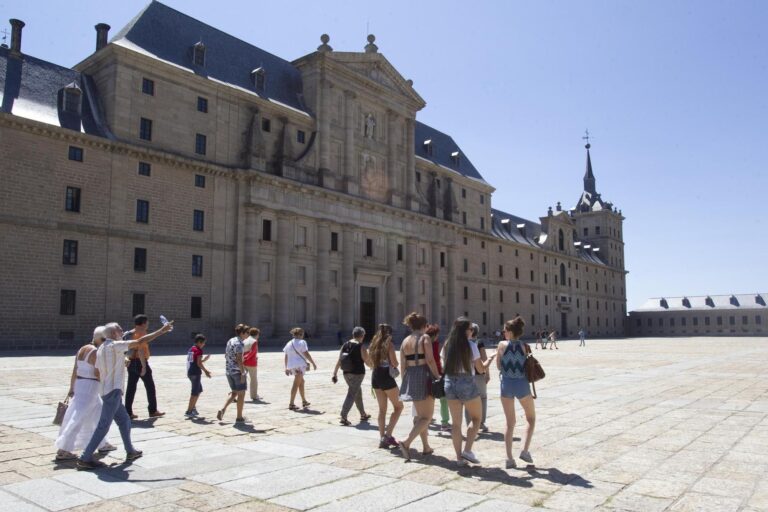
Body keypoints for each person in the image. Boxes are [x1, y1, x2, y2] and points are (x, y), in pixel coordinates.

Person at [77, 320, 173, 470]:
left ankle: (130, 451)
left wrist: (120, 365)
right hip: (113, 392)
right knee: (103, 425)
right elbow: (140, 341)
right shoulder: (115, 345)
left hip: (106, 390)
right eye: (120, 330)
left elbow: (99, 370)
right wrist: (162, 330)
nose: (123, 332)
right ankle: (85, 457)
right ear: (114, 333)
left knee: (124, 421)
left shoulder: (101, 348)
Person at [55, 326, 115, 461]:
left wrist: (72, 387)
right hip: (90, 387)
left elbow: (75, 369)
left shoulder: (82, 349)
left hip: (81, 385)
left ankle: (102, 443)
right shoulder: (95, 352)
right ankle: (63, 449)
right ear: (100, 339)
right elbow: (97, 373)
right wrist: (108, 384)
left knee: (97, 414)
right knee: (78, 417)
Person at [443, 317, 493, 466]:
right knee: (477, 419)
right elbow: (480, 369)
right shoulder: (471, 346)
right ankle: (467, 450)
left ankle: (459, 458)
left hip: (450, 382)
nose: (472, 331)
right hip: (466, 382)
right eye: (470, 329)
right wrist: (489, 360)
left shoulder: (447, 344)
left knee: (456, 424)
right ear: (465, 331)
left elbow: (442, 363)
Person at [397, 312, 440, 460]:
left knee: (421, 416)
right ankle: (406, 442)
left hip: (410, 376)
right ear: (424, 326)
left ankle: (426, 447)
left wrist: (404, 381)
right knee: (427, 417)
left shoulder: (405, 341)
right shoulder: (425, 338)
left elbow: (402, 364)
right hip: (424, 375)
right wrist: (437, 376)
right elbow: (430, 360)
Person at [497, 316, 536, 469]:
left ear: (509, 332)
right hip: (522, 385)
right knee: (531, 418)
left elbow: (499, 366)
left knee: (509, 423)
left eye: (505, 330)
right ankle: (524, 450)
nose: (503, 332)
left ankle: (509, 458)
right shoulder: (525, 346)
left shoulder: (501, 345)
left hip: (506, 385)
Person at [368, 324, 403, 449]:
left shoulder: (373, 344)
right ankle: (387, 436)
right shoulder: (389, 345)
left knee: (382, 410)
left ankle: (382, 437)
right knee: (399, 407)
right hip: (386, 377)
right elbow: (394, 363)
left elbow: (370, 362)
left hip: (375, 376)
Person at [123, 314, 164, 419]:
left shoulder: (131, 332)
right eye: (147, 322)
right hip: (140, 362)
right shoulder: (141, 333)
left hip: (131, 362)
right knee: (150, 386)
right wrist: (144, 366)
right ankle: (153, 410)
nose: (148, 324)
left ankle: (128, 412)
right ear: (144, 323)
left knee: (131, 388)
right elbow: (140, 349)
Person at [332, 326, 372, 425]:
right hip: (357, 373)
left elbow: (340, 359)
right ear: (362, 335)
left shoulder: (345, 344)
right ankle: (343, 416)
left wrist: (335, 373)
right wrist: (374, 367)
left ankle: (363, 414)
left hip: (346, 372)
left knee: (357, 392)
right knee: (352, 394)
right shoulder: (361, 346)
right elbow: (367, 361)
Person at [217, 324, 249, 423]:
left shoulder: (230, 340)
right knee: (241, 394)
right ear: (242, 333)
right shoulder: (239, 343)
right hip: (237, 372)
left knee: (234, 392)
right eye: (247, 332)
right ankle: (239, 417)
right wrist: (243, 373)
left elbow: (226, 355)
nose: (248, 334)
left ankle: (222, 409)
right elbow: (239, 359)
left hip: (229, 371)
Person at [465, 323, 493, 433]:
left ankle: (469, 423)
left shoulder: (463, 343)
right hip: (479, 374)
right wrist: (487, 373)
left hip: (467, 375)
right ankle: (480, 423)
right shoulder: (479, 343)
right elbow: (484, 358)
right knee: (482, 398)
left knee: (468, 399)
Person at [283, 327, 317, 410]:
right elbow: (306, 354)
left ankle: (304, 400)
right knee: (296, 384)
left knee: (302, 382)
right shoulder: (302, 342)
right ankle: (291, 403)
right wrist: (313, 363)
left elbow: (286, 355)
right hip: (299, 366)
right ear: (301, 334)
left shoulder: (289, 343)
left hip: (292, 366)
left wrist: (286, 367)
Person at [425, 324, 450, 433]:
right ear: (434, 335)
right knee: (443, 399)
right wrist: (440, 372)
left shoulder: (423, 343)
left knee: (428, 398)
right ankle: (444, 422)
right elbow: (435, 360)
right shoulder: (434, 344)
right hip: (436, 373)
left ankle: (426, 420)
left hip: (425, 373)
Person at [185, 334, 211, 418]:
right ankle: (189, 411)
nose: (204, 345)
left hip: (190, 372)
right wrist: (206, 371)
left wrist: (204, 360)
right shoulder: (199, 350)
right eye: (203, 343)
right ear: (199, 342)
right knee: (194, 393)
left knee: (199, 390)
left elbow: (195, 362)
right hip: (195, 373)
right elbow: (198, 363)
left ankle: (193, 407)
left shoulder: (191, 349)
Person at [243, 327, 261, 401]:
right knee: (253, 380)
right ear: (257, 334)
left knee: (242, 378)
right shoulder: (254, 341)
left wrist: (243, 358)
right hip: (251, 362)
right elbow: (252, 352)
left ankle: (235, 394)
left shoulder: (245, 340)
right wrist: (246, 357)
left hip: (243, 362)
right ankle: (254, 395)